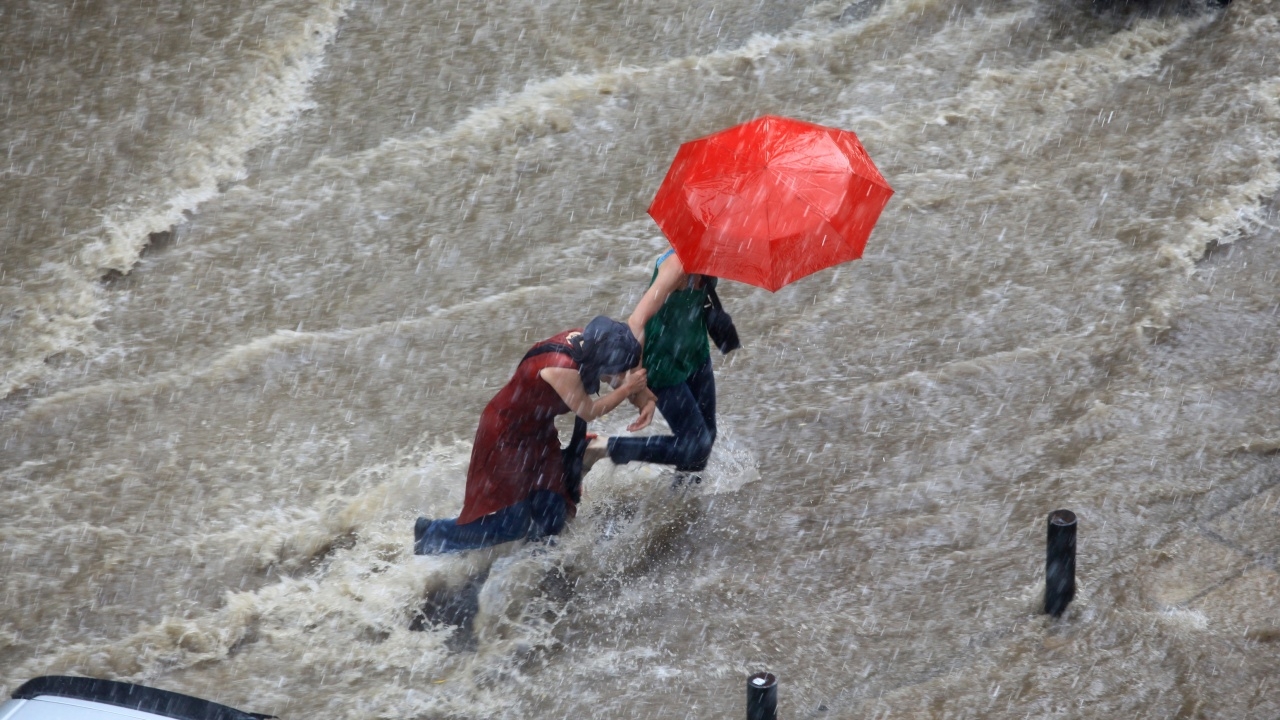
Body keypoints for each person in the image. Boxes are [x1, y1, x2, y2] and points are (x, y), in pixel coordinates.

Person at [414, 316, 648, 554]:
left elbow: (623, 374)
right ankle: (432, 534)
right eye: (618, 371)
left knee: (553, 511)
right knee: (513, 524)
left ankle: (526, 567)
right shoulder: (561, 366)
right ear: (602, 363)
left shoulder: (592, 342)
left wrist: (644, 399)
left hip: (537, 431)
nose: (620, 377)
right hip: (505, 436)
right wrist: (629, 389)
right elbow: (589, 410)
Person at [591, 248, 718, 474]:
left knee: (705, 438)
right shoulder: (676, 267)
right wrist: (637, 386)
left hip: (696, 355)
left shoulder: (713, 257)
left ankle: (683, 504)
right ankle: (603, 447)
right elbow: (636, 322)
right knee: (696, 447)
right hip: (662, 365)